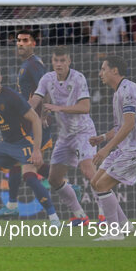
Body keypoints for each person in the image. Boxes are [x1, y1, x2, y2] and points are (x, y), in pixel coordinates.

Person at [0, 70, 61, 227]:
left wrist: (36, 149)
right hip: (7, 145)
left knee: (30, 177)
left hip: (24, 142)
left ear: (0, 78)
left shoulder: (11, 96)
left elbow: (35, 119)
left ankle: (54, 218)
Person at [29, 46, 105, 226]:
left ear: (69, 61)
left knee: (87, 169)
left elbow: (85, 107)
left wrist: (58, 108)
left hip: (83, 132)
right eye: (56, 60)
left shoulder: (78, 78)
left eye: (62, 61)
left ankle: (105, 214)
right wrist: (23, 110)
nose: (59, 64)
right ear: (52, 61)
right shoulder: (47, 78)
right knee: (54, 179)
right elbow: (36, 100)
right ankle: (80, 216)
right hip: (65, 136)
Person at [89, 56, 136, 241]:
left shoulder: (128, 89)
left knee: (102, 185)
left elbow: (129, 125)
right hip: (126, 148)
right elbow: (119, 127)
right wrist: (102, 138)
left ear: (114, 71)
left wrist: (106, 149)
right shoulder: (118, 92)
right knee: (95, 182)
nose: (100, 73)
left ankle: (114, 232)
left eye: (103, 69)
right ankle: (125, 225)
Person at [0, 28, 59, 217]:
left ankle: (53, 211)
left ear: (33, 43)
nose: (20, 44)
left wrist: (43, 115)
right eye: (18, 40)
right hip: (24, 124)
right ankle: (13, 206)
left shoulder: (34, 64)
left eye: (25, 40)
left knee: (28, 170)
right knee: (17, 163)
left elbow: (46, 87)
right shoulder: (27, 64)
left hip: (34, 124)